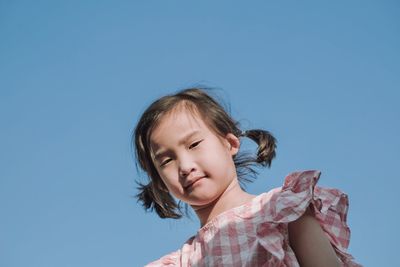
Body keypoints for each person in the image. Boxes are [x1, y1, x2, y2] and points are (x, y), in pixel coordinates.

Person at [133, 87, 361, 266]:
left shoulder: (283, 210)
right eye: (166, 160)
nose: (184, 166)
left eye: (194, 144)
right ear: (159, 182)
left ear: (230, 143)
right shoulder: (180, 262)